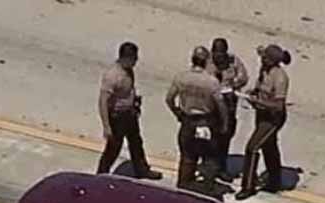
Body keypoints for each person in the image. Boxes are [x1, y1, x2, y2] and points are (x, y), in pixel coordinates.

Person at [165, 46, 228, 193]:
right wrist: (224, 124)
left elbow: (169, 99)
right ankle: (207, 188)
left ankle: (184, 186)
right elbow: (221, 105)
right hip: (205, 122)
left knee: (187, 156)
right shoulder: (211, 82)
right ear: (206, 61)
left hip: (187, 121)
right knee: (210, 157)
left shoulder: (181, 77)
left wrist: (178, 113)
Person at [96, 42, 162, 180]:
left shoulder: (128, 71)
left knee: (136, 143)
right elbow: (103, 102)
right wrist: (107, 126)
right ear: (126, 58)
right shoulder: (112, 76)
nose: (136, 62)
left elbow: (129, 90)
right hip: (117, 117)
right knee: (113, 148)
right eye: (134, 59)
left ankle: (142, 170)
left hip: (129, 114)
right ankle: (101, 175)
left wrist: (135, 101)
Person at [237, 44, 291, 201]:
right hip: (261, 114)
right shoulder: (264, 70)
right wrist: (252, 93)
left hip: (273, 118)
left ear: (273, 61)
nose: (262, 60)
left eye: (265, 58)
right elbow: (259, 87)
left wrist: (258, 101)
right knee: (269, 146)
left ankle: (248, 186)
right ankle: (275, 180)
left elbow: (279, 106)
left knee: (252, 148)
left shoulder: (280, 77)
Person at [210, 38, 249, 181]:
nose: (218, 55)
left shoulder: (233, 61)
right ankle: (210, 167)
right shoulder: (207, 63)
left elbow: (244, 77)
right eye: (216, 52)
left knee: (226, 136)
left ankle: (221, 166)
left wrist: (234, 83)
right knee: (211, 138)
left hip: (229, 103)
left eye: (221, 52)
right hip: (212, 106)